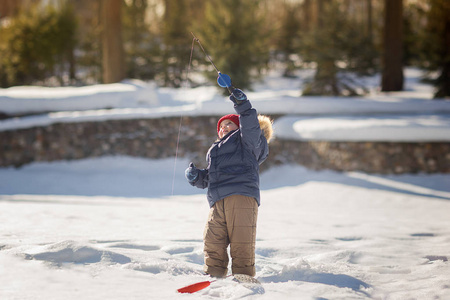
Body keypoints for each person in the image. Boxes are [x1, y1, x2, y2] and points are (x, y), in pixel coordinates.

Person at [185, 88, 273, 278]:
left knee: (242, 244)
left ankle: (244, 281)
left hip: (241, 197)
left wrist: (243, 105)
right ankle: (214, 277)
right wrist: (196, 177)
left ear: (239, 128)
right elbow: (211, 177)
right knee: (212, 242)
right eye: (221, 126)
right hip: (217, 201)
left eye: (229, 124)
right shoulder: (216, 150)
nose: (224, 128)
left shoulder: (246, 142)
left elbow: (250, 125)